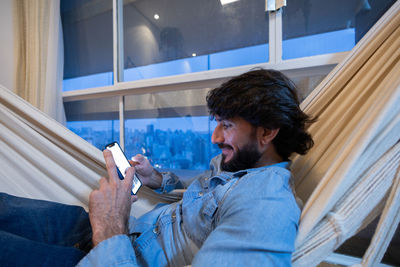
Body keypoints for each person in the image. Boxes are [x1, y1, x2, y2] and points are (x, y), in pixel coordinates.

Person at [0, 69, 314, 266]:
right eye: (217, 123)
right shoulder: (241, 167)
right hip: (101, 231)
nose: (215, 137)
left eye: (227, 125)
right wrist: (157, 179)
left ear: (268, 131)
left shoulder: (266, 205)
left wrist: (111, 227)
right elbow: (203, 192)